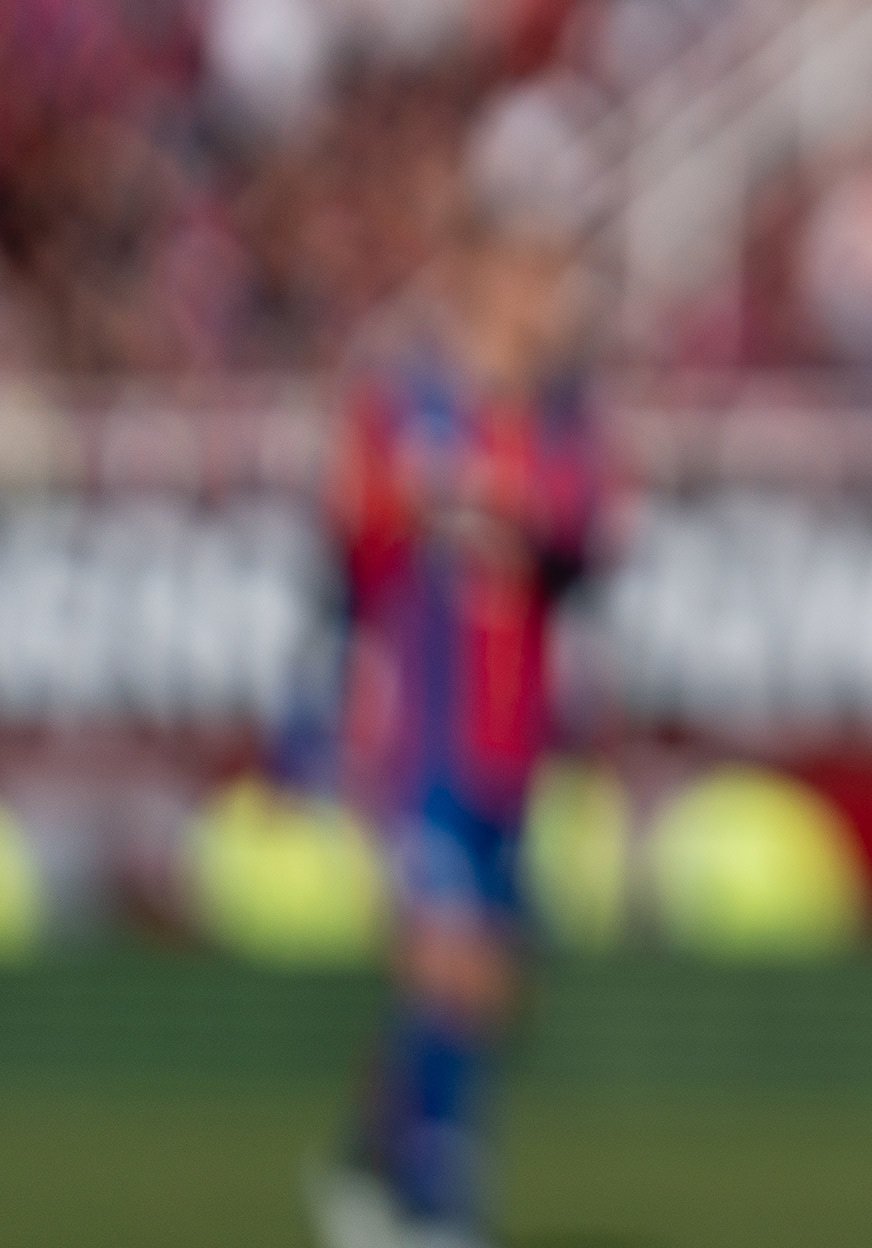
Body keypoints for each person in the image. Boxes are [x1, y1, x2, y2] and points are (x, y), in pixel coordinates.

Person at [310, 193, 602, 1248]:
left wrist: (515, 516)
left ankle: (371, 1151)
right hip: (418, 724)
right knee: (448, 956)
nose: (553, 303)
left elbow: (582, 538)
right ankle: (432, 1195)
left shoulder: (559, 418)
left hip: (510, 731)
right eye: (535, 278)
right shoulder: (405, 402)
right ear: (481, 280)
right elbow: (351, 532)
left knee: (492, 977)